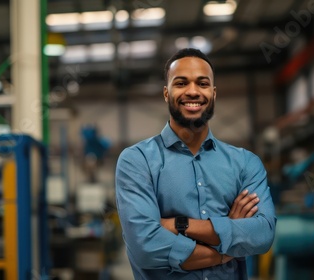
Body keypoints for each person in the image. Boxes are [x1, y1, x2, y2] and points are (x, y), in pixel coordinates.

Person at [115, 48, 276, 280]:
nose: (193, 92)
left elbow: (262, 235)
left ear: (213, 93)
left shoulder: (245, 163)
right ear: (166, 93)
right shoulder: (137, 161)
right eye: (181, 83)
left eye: (202, 84)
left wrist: (180, 225)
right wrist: (226, 245)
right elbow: (146, 248)